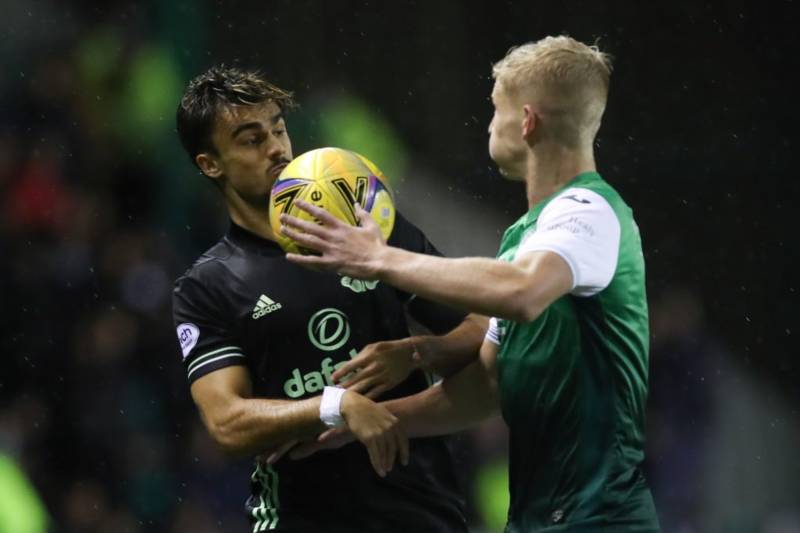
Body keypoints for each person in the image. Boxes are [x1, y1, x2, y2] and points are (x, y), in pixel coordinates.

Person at [280, 36, 661, 531]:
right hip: (541, 519)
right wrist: (359, 424)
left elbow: (522, 292)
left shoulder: (590, 211)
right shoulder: (525, 239)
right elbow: (485, 386)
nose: (489, 124)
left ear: (526, 121)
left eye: (496, 109)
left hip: (600, 519)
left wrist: (379, 259)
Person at [171, 65, 487, 532]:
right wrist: (336, 405)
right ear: (210, 164)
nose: (276, 148)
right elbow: (226, 423)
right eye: (252, 139)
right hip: (301, 519)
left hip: (422, 511)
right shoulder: (207, 285)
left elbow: (483, 327)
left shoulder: (369, 228)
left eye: (278, 129)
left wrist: (416, 352)